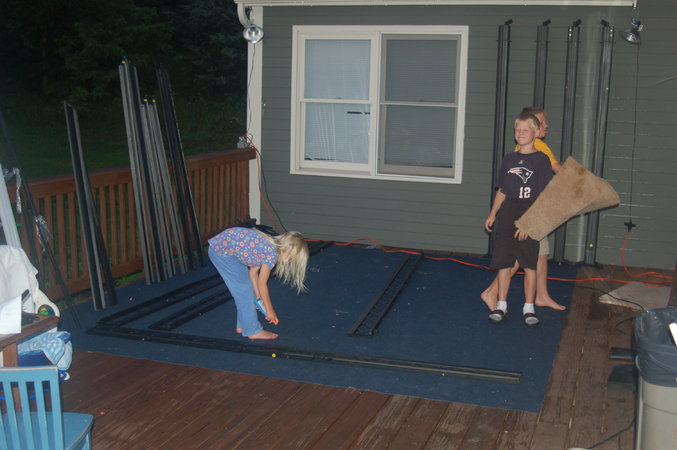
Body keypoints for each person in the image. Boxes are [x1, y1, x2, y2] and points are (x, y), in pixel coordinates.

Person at [481, 106, 566, 312]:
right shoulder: (515, 156)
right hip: (518, 212)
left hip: (533, 211)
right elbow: (503, 189)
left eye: (524, 130)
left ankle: (539, 297)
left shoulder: (540, 154)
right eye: (542, 122)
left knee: (538, 255)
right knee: (517, 256)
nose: (546, 126)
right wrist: (493, 214)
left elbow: (545, 189)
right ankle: (494, 293)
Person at [208, 226, 309, 340]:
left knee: (246, 289)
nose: (289, 262)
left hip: (228, 249)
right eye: (291, 259)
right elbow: (262, 284)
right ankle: (253, 331)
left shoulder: (266, 246)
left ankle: (243, 326)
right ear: (288, 250)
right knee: (244, 292)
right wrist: (270, 310)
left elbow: (253, 273)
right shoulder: (271, 254)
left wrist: (258, 298)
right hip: (222, 252)